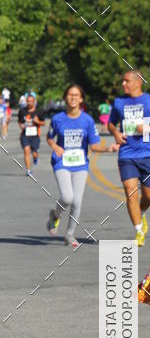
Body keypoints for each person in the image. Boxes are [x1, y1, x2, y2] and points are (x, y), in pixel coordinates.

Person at [46, 84, 118, 247]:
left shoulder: (87, 120)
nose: (73, 98)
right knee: (67, 197)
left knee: (77, 201)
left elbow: (93, 146)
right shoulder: (58, 119)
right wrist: (55, 146)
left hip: (80, 164)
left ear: (81, 99)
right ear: (65, 98)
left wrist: (108, 148)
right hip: (61, 162)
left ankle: (69, 235)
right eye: (70, 95)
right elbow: (50, 137)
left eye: (76, 95)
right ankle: (55, 215)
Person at [108, 70, 150, 246]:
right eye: (123, 81)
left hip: (148, 154)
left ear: (138, 82)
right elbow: (111, 123)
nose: (123, 84)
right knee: (130, 191)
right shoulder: (119, 102)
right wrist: (116, 132)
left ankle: (141, 213)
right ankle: (138, 230)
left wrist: (148, 127)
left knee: (149, 196)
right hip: (126, 154)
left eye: (126, 81)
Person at [18, 94, 45, 176]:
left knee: (34, 153)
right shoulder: (22, 111)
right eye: (28, 101)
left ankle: (36, 157)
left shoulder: (39, 111)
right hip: (25, 135)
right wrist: (21, 126)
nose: (29, 103)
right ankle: (28, 170)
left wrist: (37, 122)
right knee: (26, 151)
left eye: (31, 101)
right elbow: (19, 121)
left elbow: (43, 123)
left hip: (35, 135)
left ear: (34, 102)